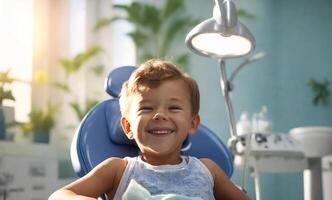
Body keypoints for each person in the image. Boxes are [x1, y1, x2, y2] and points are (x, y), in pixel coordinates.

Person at [49, 59, 250, 200]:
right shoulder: (118, 170)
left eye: (173, 108)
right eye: (146, 108)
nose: (160, 115)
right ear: (127, 126)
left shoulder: (208, 170)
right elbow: (58, 196)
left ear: (192, 123)